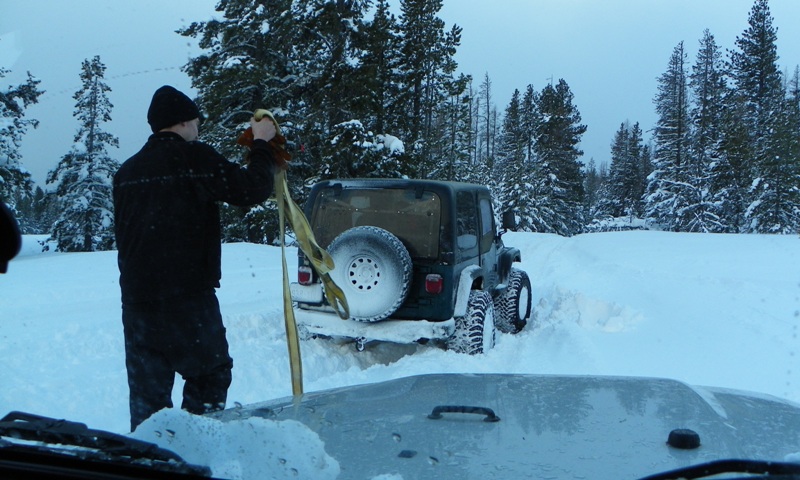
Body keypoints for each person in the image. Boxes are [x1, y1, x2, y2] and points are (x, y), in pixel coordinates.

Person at [113, 85, 281, 431]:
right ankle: (197, 446)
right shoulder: (193, 157)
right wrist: (263, 144)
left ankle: (152, 457)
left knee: (148, 400)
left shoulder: (126, 173)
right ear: (185, 123)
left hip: (138, 304)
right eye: (196, 122)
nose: (198, 129)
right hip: (188, 297)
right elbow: (251, 189)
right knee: (210, 376)